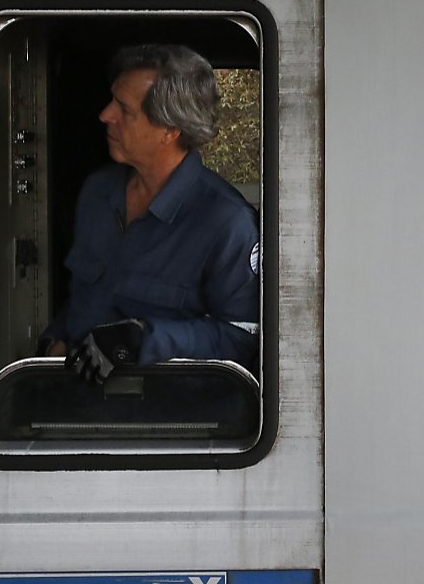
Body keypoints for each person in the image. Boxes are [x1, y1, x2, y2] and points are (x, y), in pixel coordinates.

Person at [39, 44, 259, 384]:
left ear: (170, 130)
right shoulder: (97, 193)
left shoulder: (228, 223)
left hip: (167, 420)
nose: (105, 114)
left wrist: (143, 339)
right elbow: (87, 298)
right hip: (76, 405)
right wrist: (58, 339)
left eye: (124, 109)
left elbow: (241, 338)